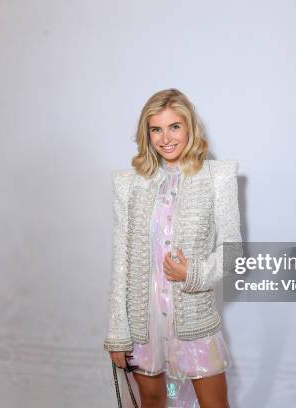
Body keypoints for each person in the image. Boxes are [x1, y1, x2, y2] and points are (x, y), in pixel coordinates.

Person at [103, 88, 242, 407]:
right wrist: (117, 333)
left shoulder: (217, 177)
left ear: (189, 127)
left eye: (174, 126)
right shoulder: (129, 184)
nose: (166, 138)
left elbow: (233, 252)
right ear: (147, 133)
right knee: (153, 402)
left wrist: (192, 273)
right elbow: (120, 265)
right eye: (156, 129)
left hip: (193, 319)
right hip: (143, 326)